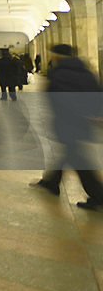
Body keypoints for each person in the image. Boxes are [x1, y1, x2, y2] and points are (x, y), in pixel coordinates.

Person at [32, 44, 103, 211]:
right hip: (84, 122)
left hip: (68, 121)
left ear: (58, 57)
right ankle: (51, 182)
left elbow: (58, 99)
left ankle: (99, 196)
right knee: (69, 153)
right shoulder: (87, 72)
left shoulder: (59, 73)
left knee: (78, 159)